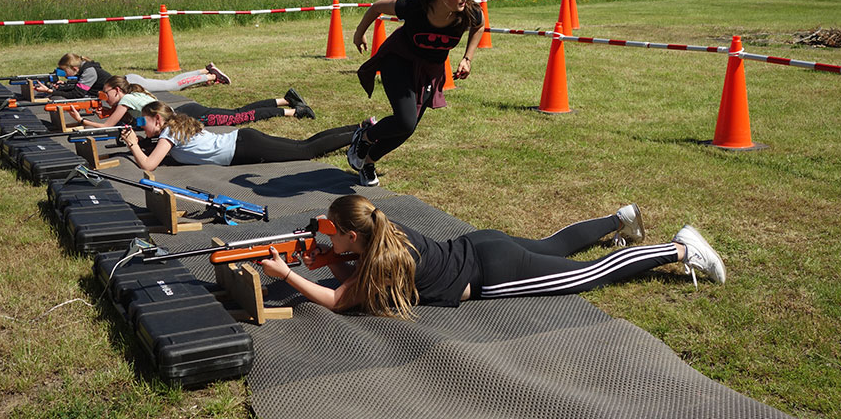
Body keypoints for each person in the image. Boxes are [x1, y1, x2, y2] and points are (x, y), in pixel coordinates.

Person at [260, 195, 726, 320]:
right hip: (482, 244)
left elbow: (340, 300)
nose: (325, 234)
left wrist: (289, 274)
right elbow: (353, 273)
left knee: (589, 275)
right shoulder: (382, 233)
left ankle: (681, 248)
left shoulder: (380, 262)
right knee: (552, 245)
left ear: (350, 236)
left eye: (330, 231)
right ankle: (617, 219)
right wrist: (331, 261)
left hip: (494, 273)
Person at [348, 0, 486, 187]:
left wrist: (467, 58)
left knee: (407, 128)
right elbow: (376, 7)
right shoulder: (413, 5)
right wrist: (359, 33)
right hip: (398, 60)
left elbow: (480, 26)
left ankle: (368, 161)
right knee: (405, 119)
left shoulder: (469, 11)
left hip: (430, 70)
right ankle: (364, 136)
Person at [118, 101, 373, 172]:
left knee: (306, 151)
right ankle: (357, 127)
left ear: (159, 120)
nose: (141, 126)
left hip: (243, 148)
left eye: (144, 121)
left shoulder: (169, 133)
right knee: (302, 145)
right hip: (242, 140)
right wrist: (140, 142)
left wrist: (133, 146)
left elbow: (149, 165)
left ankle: (358, 134)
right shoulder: (175, 126)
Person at [70, 75, 315, 129]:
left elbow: (109, 125)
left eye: (106, 94)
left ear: (116, 91)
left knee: (239, 117)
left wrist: (81, 121)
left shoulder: (127, 100)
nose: (105, 98)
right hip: (187, 112)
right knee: (237, 112)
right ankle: (285, 99)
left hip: (191, 116)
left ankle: (294, 111)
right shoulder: (132, 97)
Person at [35, 53, 231, 98]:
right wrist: (55, 88)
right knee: (171, 82)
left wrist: (52, 92)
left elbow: (78, 93)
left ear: (73, 68)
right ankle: (205, 70)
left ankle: (211, 77)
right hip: (129, 80)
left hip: (132, 83)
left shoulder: (89, 72)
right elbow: (76, 88)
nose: (64, 74)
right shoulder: (86, 70)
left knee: (173, 85)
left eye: (65, 71)